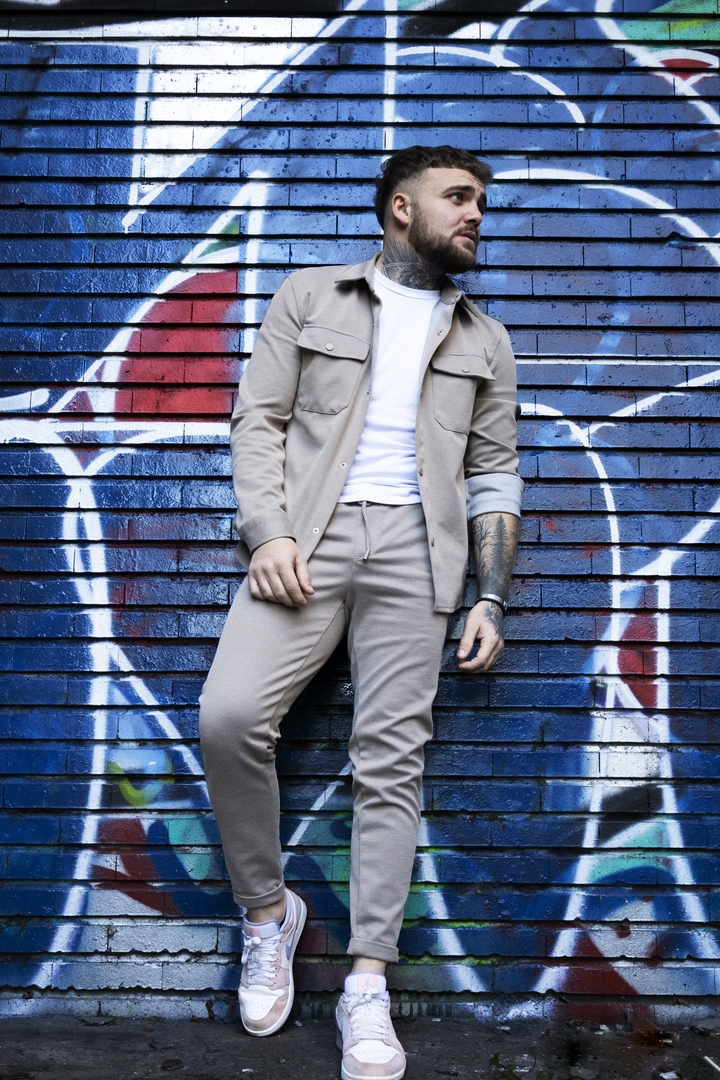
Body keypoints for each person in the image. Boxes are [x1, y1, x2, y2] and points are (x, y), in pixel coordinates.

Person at [198, 144, 523, 1080]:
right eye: (458, 197)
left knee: (390, 762)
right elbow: (258, 420)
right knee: (229, 719)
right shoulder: (310, 297)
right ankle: (269, 916)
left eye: (481, 200)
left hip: (421, 551)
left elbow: (494, 474)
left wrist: (490, 593)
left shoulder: (485, 339)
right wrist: (267, 532)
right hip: (311, 535)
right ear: (400, 208)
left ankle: (367, 984)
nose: (475, 213)